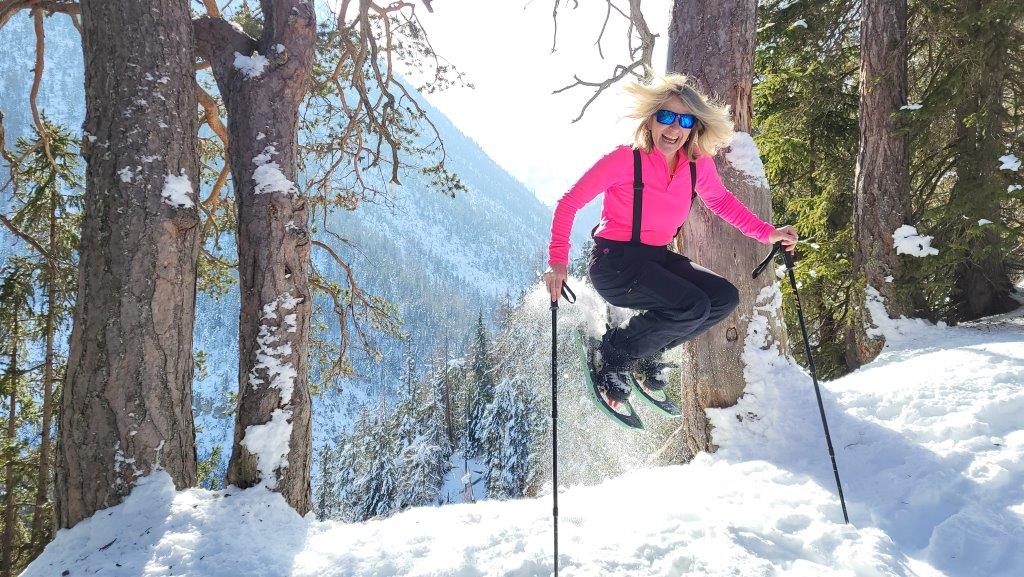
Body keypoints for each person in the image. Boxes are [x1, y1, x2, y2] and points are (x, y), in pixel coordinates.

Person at [543, 73, 798, 409]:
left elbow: (722, 203)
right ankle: (615, 353)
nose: (674, 128)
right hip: (616, 264)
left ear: (694, 128)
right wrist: (558, 262)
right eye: (666, 116)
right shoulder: (625, 159)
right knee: (692, 305)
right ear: (651, 120)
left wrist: (769, 233)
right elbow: (569, 203)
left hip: (656, 260)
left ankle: (647, 351)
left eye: (685, 120)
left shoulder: (696, 165)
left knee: (722, 298)